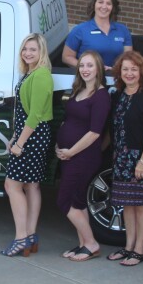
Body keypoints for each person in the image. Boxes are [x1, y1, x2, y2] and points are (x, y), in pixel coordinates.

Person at [105, 51, 143, 266]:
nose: (129, 73)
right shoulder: (118, 95)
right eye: (125, 69)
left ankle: (140, 250)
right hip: (121, 159)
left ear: (142, 71)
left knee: (141, 205)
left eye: (134, 69)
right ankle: (128, 246)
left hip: (141, 160)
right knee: (127, 205)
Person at [1, 33, 53, 257]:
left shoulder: (41, 75)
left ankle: (21, 237)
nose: (28, 53)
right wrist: (15, 136)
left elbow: (36, 114)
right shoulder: (30, 73)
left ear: (41, 52)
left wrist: (20, 143)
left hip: (33, 136)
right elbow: (23, 111)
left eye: (33, 49)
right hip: (28, 134)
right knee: (31, 185)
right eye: (25, 49)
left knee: (12, 185)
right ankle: (30, 236)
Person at [55, 50, 110, 262]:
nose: (85, 69)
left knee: (64, 200)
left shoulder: (101, 96)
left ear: (98, 69)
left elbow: (95, 132)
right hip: (68, 155)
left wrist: (71, 151)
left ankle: (91, 244)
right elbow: (69, 120)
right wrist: (60, 146)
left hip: (83, 157)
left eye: (90, 65)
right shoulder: (79, 90)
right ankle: (83, 245)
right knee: (78, 201)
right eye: (82, 65)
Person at [62, 0, 132, 69]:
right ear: (94, 4)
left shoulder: (123, 30)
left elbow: (128, 59)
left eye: (108, 3)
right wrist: (90, 68)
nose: (104, 6)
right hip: (89, 76)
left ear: (113, 7)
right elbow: (66, 57)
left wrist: (116, 69)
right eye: (100, 2)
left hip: (114, 76)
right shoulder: (79, 30)